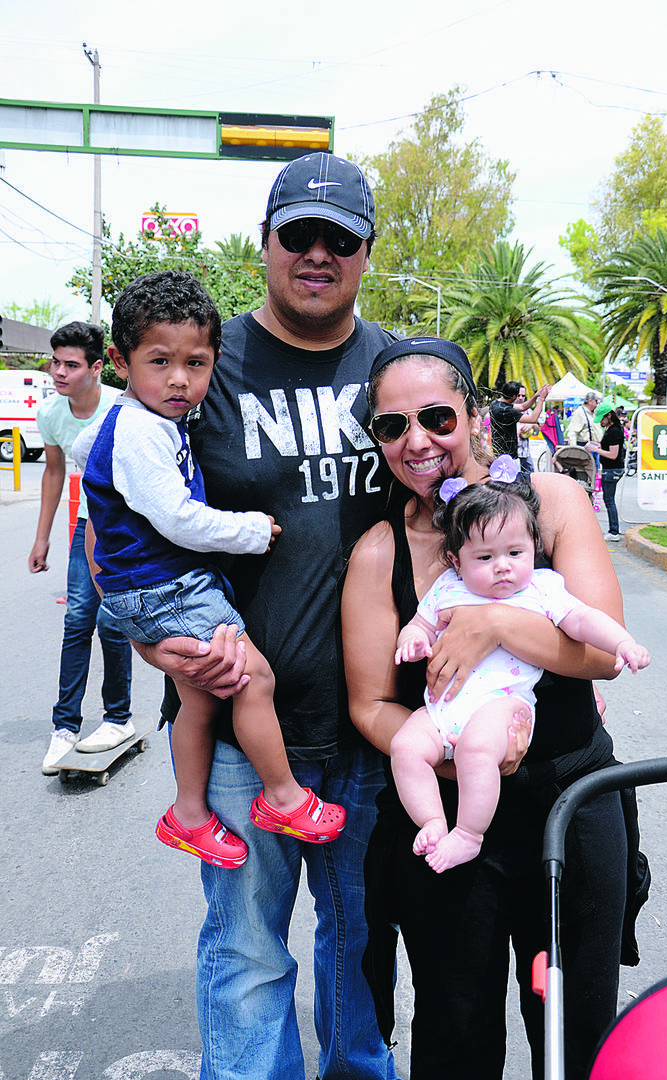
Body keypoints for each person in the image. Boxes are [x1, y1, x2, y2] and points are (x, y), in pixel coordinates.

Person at [123, 153, 399, 1080]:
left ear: (365, 252)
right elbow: (114, 510)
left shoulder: (395, 369)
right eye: (299, 235)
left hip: (371, 721)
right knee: (247, 949)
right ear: (268, 241)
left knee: (359, 943)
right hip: (244, 721)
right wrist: (144, 633)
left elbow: (453, 519)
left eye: (340, 239)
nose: (317, 254)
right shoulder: (201, 363)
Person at [342, 336, 645, 1080]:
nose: (417, 440)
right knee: (455, 1032)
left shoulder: (558, 502)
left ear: (475, 415)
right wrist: (444, 757)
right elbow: (371, 704)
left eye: (437, 416)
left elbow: (605, 650)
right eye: (392, 426)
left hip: (573, 804)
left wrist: (496, 625)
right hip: (449, 824)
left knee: (576, 1031)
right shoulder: (381, 549)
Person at [74, 270, 345, 870]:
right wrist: (250, 530)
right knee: (252, 678)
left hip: (153, 586)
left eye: (196, 364)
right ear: (120, 360)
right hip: (164, 586)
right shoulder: (141, 431)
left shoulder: (153, 422)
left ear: (215, 360)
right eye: (159, 361)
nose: (178, 378)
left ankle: (188, 813)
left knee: (199, 698)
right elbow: (177, 518)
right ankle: (283, 795)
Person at [391, 461, 650, 874]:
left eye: (515, 553)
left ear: (533, 546)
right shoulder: (447, 589)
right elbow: (420, 623)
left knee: (477, 751)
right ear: (457, 561)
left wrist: (622, 642)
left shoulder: (541, 589)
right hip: (441, 710)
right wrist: (414, 639)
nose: (503, 566)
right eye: (485, 556)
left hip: (503, 705)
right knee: (405, 747)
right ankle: (433, 820)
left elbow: (583, 621)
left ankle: (468, 834)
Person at [29, 321, 134, 776]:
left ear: (96, 368)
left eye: (71, 364)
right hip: (85, 526)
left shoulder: (121, 405)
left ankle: (118, 718)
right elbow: (54, 472)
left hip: (127, 531)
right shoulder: (52, 413)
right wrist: (41, 536)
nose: (59, 372)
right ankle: (65, 726)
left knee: (113, 625)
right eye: (56, 362)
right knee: (76, 620)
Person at [587, 403, 625, 542]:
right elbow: (608, 448)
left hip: (612, 469)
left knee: (609, 500)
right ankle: (613, 530)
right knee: (609, 500)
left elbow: (613, 454)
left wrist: (596, 450)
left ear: (609, 416)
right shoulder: (612, 428)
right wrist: (596, 445)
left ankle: (613, 531)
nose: (601, 422)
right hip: (610, 468)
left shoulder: (614, 430)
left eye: (602, 419)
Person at [489, 379, 550, 460]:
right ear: (514, 396)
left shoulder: (496, 403)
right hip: (507, 455)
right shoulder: (506, 411)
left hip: (499, 452)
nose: (520, 398)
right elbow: (533, 419)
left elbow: (522, 407)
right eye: (518, 395)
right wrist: (541, 399)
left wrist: (536, 396)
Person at [515, 384, 539, 473]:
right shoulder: (508, 409)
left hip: (525, 452)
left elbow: (538, 428)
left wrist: (531, 425)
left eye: (523, 395)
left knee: (532, 475)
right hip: (513, 453)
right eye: (518, 395)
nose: (521, 398)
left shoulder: (528, 411)